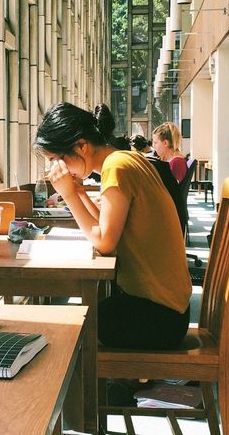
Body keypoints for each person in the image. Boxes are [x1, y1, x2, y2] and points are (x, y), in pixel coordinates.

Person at [33, 102, 191, 350]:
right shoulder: (125, 159)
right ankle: (120, 384)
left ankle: (106, 386)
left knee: (73, 326)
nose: (57, 168)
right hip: (170, 307)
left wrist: (70, 195)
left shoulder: (116, 168)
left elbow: (106, 242)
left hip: (160, 316)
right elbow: (108, 225)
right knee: (86, 316)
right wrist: (78, 192)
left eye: (57, 159)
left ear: (81, 146)